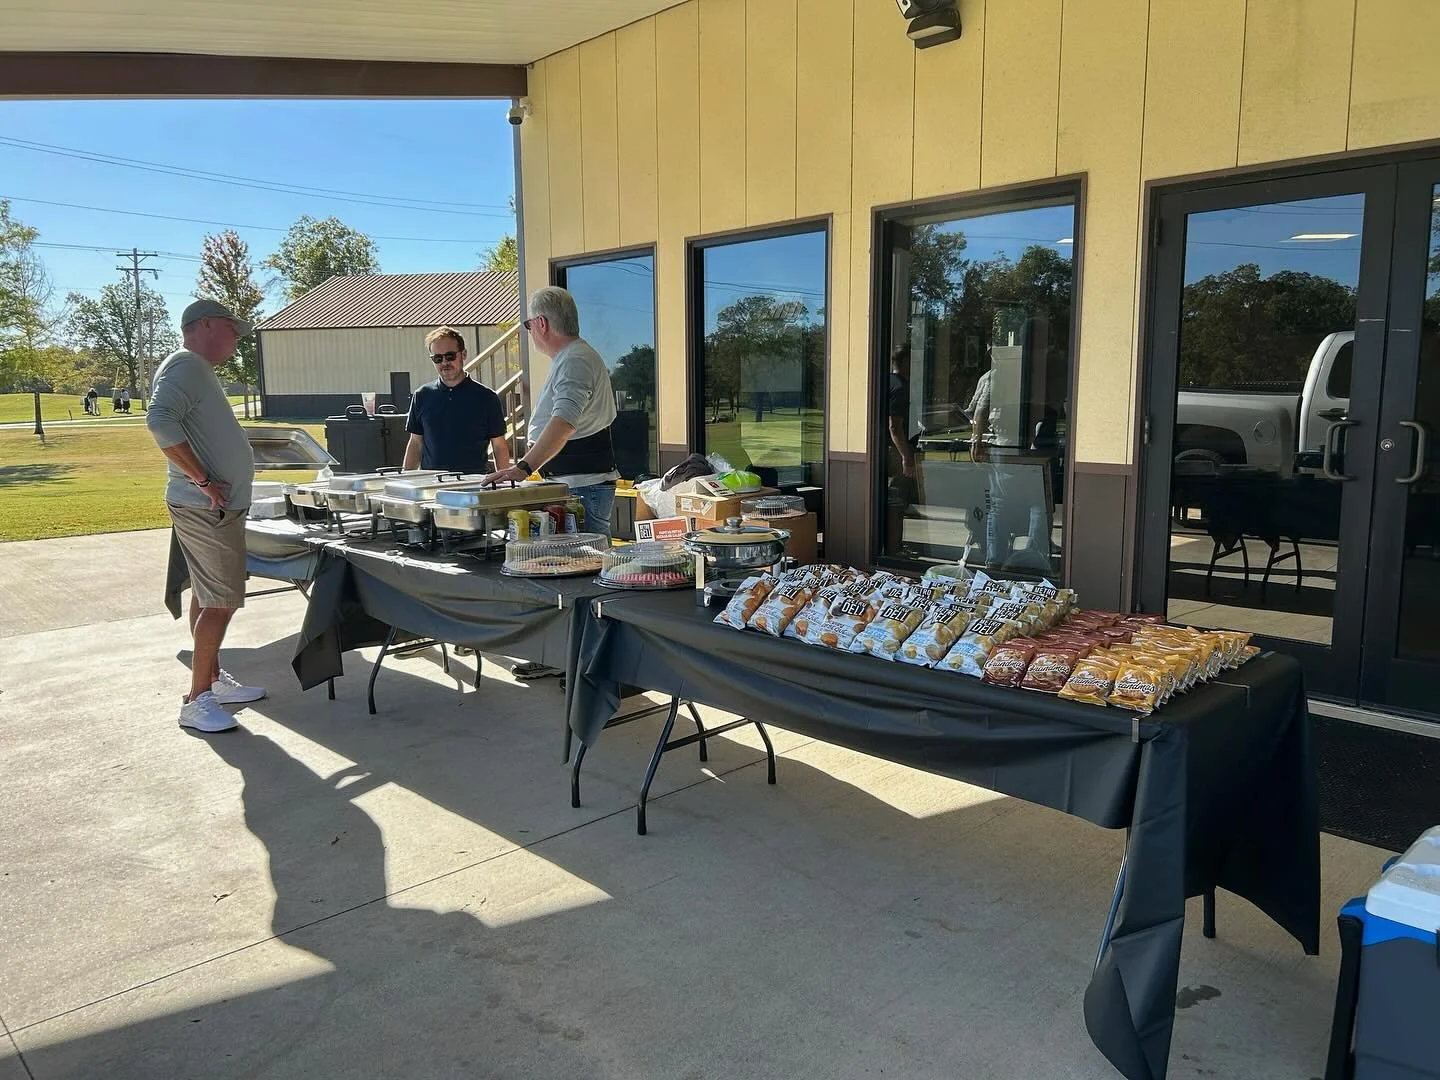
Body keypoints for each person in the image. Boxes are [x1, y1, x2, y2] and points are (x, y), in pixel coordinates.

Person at [145, 298, 266, 734]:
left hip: (208, 506)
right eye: (233, 332)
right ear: (208, 325)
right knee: (221, 600)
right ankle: (198, 700)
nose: (236, 342)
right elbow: (159, 422)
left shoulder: (189, 368)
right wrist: (202, 480)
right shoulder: (188, 365)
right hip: (207, 507)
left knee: (206, 593)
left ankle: (212, 678)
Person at [482, 286, 619, 539]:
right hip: (577, 485)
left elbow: (564, 422)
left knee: (586, 564)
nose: (530, 331)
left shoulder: (575, 360)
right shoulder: (571, 357)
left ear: (541, 323)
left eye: (528, 324)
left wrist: (523, 467)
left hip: (581, 488)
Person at [403, 326, 512, 475]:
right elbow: (415, 443)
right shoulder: (422, 395)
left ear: (464, 354)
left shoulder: (486, 398)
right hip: (431, 486)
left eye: (450, 356)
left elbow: (499, 445)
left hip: (473, 485)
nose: (444, 363)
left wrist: (504, 481)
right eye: (438, 358)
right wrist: (406, 480)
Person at [885, 346, 924, 556]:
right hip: (897, 452)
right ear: (906, 361)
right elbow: (894, 425)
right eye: (915, 361)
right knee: (897, 501)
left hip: (889, 450)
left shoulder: (886, 381)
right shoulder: (900, 387)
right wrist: (906, 457)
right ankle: (895, 549)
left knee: (893, 500)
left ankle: (892, 545)